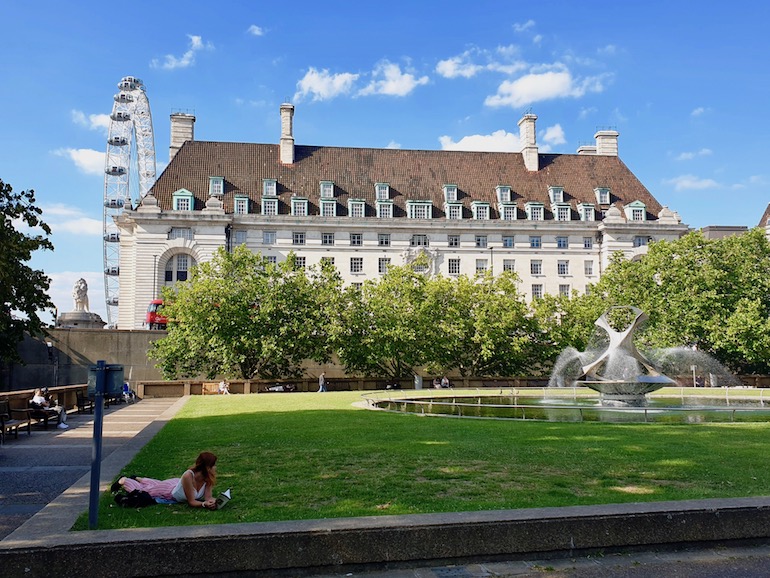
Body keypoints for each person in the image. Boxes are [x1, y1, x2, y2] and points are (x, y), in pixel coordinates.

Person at [113, 452, 218, 509]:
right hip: (168, 492)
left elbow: (208, 496)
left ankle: (136, 477)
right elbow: (192, 501)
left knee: (156, 483)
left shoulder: (209, 476)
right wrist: (204, 504)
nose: (215, 468)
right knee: (146, 490)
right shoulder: (188, 476)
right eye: (213, 465)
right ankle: (124, 480)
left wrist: (213, 501)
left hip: (175, 485)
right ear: (207, 467)